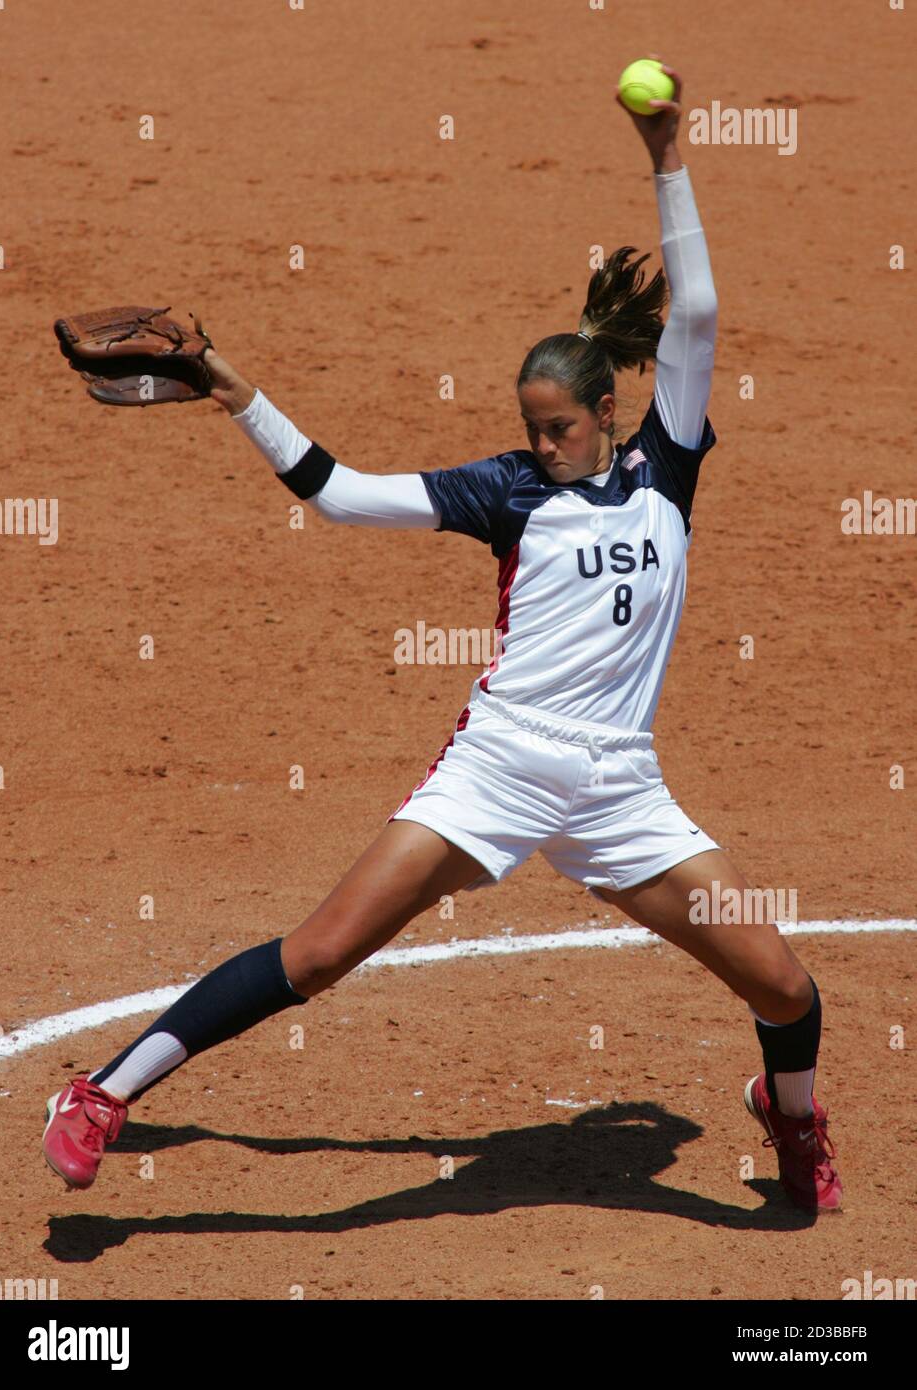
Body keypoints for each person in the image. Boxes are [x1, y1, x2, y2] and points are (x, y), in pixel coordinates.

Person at [43, 63, 840, 1214]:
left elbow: (700, 314)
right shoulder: (505, 492)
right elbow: (340, 492)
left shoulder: (669, 461)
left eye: (559, 426)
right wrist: (232, 386)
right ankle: (103, 1092)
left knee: (784, 986)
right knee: (320, 953)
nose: (542, 442)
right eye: (530, 427)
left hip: (622, 789)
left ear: (610, 411)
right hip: (502, 762)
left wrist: (668, 152)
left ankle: (794, 1117)